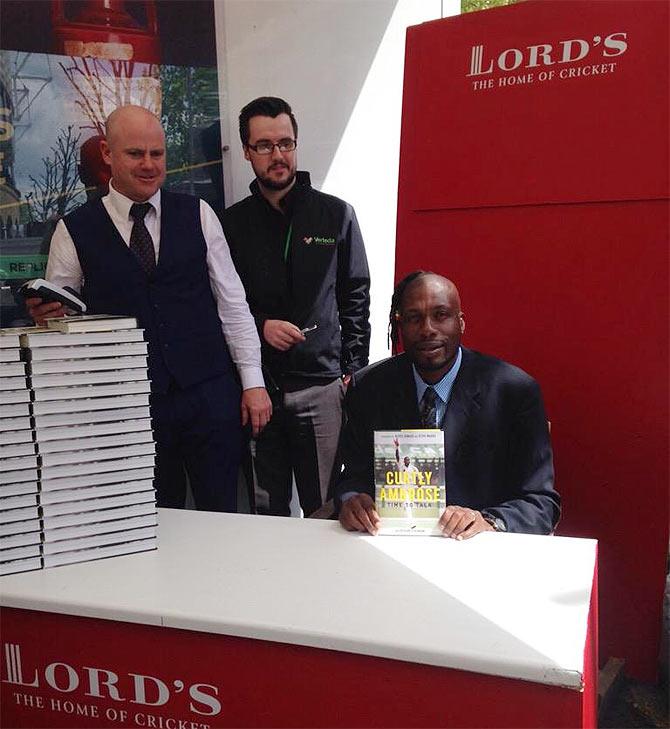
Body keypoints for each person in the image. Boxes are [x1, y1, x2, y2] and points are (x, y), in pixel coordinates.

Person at [25, 105, 272, 512]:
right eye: (135, 154)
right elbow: (62, 323)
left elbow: (232, 303)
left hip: (209, 397)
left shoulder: (199, 215)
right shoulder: (74, 230)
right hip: (128, 407)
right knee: (150, 523)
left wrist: (253, 381)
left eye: (157, 154)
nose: (149, 164)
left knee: (225, 514)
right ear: (107, 153)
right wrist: (49, 318)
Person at [223, 96, 371, 517]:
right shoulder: (231, 225)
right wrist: (260, 325)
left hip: (321, 388)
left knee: (326, 509)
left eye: (286, 143)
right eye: (265, 146)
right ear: (248, 152)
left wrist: (351, 373)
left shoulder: (335, 215)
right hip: (259, 391)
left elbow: (356, 295)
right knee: (266, 512)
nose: (278, 155)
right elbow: (219, 304)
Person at [336, 271, 560, 538]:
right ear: (400, 326)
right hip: (390, 549)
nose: (427, 329)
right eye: (414, 318)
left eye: (440, 315)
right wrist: (352, 501)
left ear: (461, 323)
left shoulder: (514, 393)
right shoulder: (369, 388)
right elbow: (351, 477)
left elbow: (541, 504)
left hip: (476, 555)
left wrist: (489, 521)